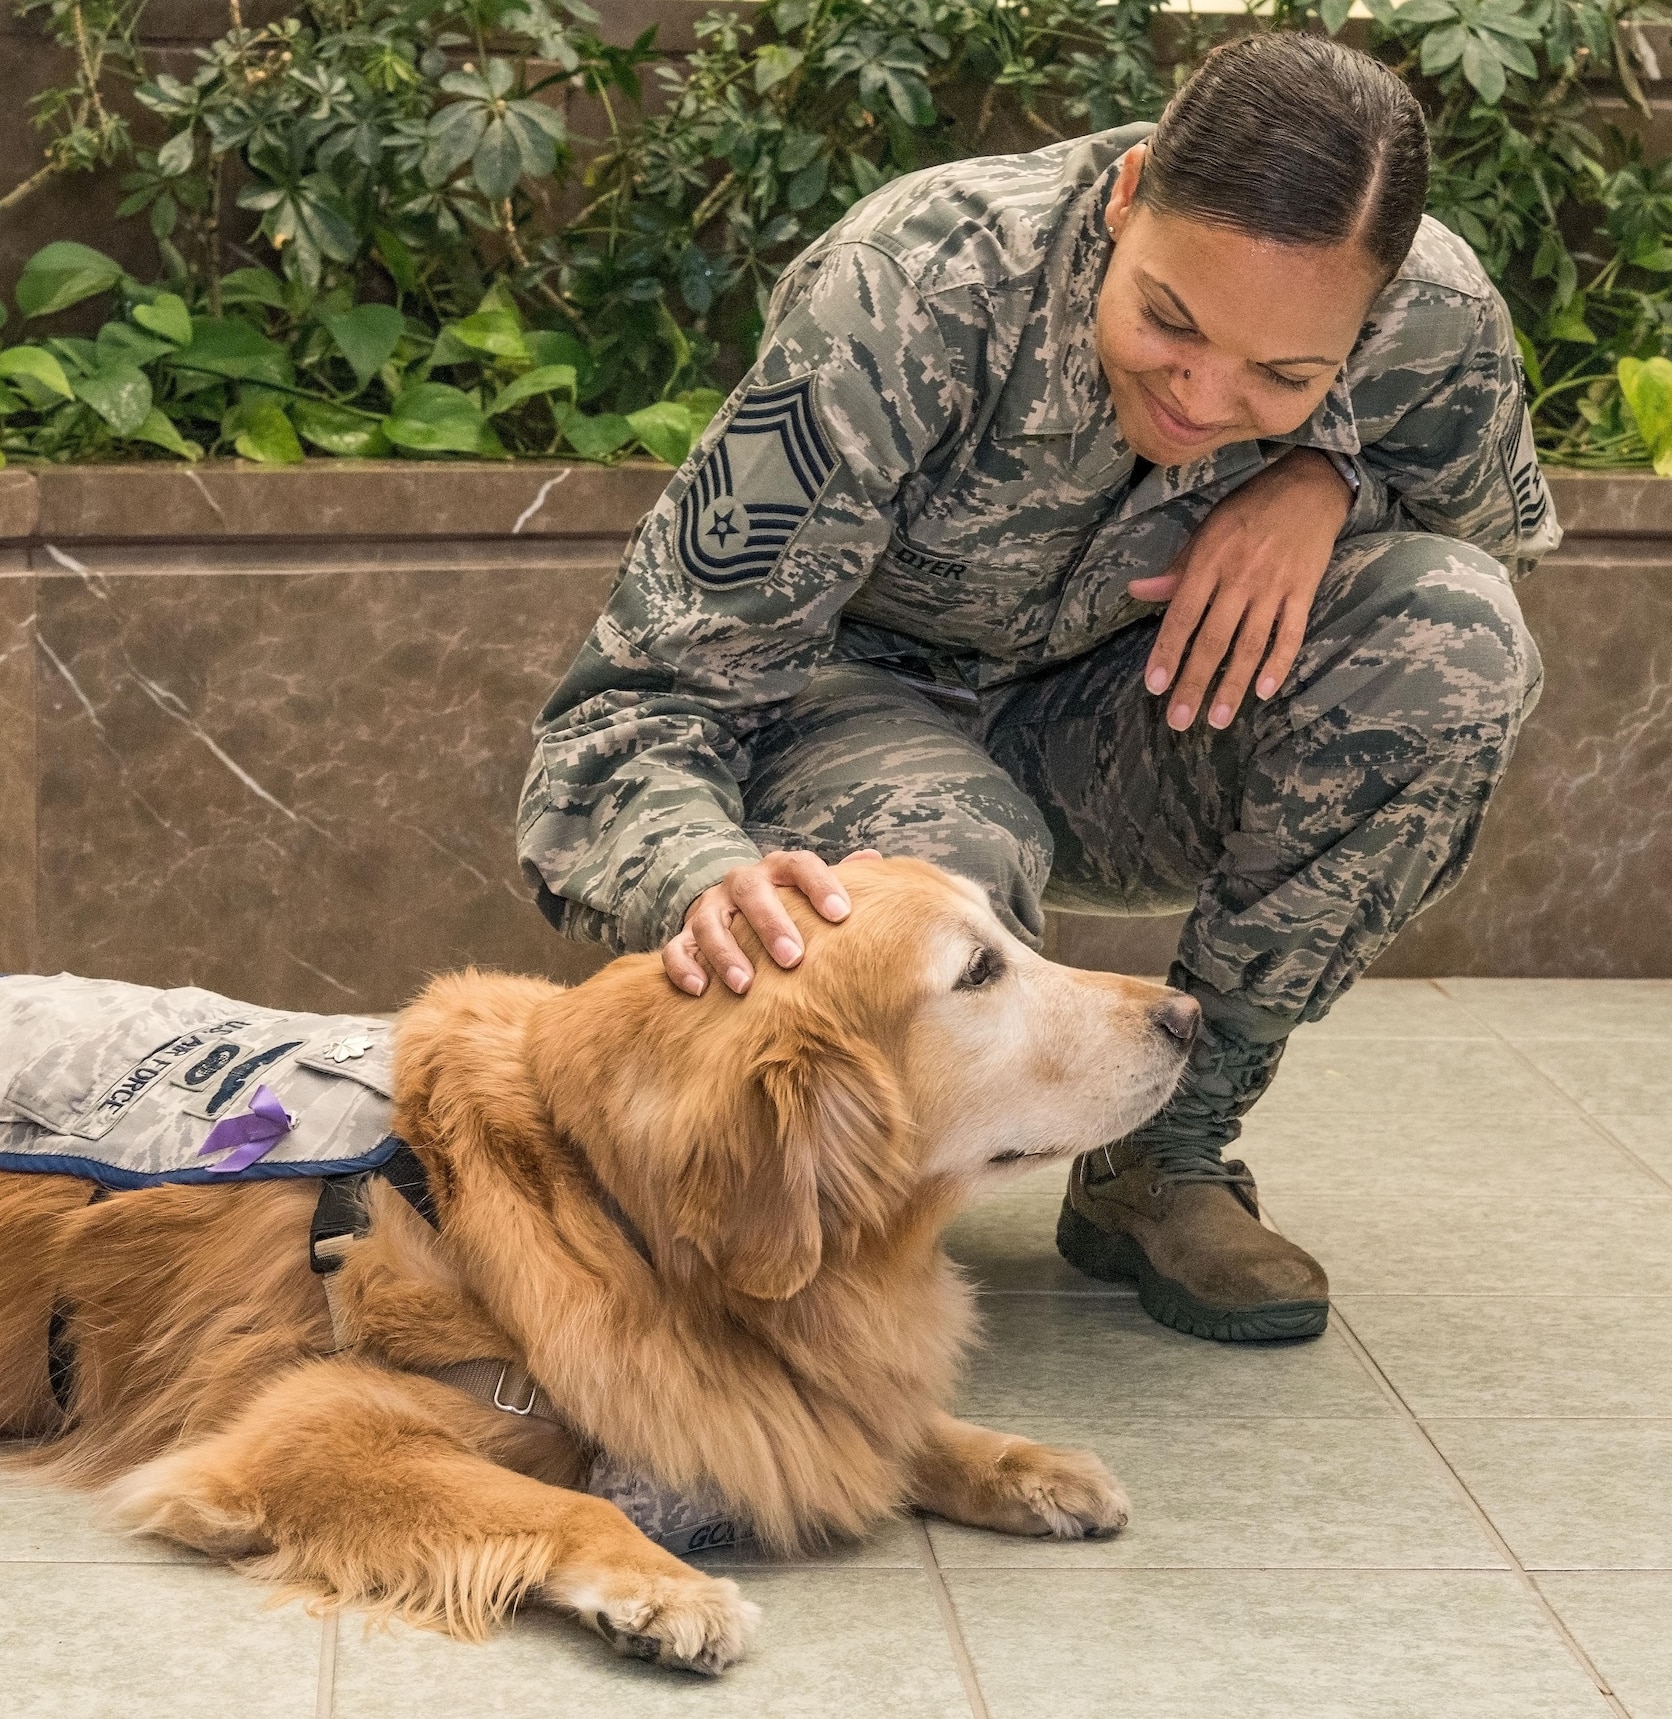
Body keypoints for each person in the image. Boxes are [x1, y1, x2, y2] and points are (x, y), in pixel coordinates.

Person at [516, 33, 1557, 1342]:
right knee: (943, 863)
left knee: (1456, 640)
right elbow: (633, 709)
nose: (1204, 396)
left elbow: (1488, 545)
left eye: (1286, 376)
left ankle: (1166, 1158)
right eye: (1170, 321)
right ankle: (794, 1232)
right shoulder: (910, 291)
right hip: (851, 714)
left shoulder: (1435, 317)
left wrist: (1324, 477)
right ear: (1126, 199)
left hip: (1135, 719)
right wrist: (700, 883)